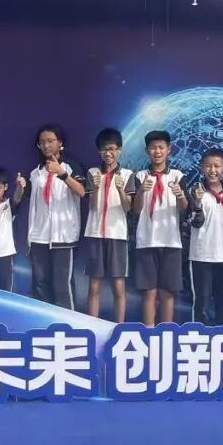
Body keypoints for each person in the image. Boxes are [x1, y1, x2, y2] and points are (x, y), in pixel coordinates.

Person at [132, 130, 190, 326]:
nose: (157, 151)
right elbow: (136, 209)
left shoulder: (177, 176)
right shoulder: (140, 176)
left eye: (161, 147)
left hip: (171, 241)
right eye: (153, 148)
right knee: (149, 292)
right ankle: (148, 332)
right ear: (147, 151)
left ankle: (167, 333)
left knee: (167, 292)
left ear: (168, 150)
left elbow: (184, 208)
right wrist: (141, 191)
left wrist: (180, 195)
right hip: (146, 240)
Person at [25, 124, 87, 309]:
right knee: (40, 284)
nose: (46, 145)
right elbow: (30, 200)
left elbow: (81, 192)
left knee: (62, 285)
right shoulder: (36, 172)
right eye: (42, 142)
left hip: (63, 235)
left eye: (50, 141)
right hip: (39, 236)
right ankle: (42, 322)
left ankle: (66, 323)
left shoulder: (71, 166)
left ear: (60, 143)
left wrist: (62, 173)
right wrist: (20, 187)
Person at [84, 128, 135, 322]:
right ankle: (92, 326)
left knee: (118, 285)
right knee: (94, 286)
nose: (108, 153)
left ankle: (119, 327)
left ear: (119, 150)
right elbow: (92, 206)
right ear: (99, 151)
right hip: (95, 234)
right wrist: (96, 188)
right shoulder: (93, 172)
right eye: (104, 149)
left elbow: (127, 207)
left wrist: (121, 190)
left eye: (112, 149)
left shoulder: (128, 174)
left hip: (117, 235)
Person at [188, 148, 223, 325]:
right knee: (201, 300)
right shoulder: (195, 191)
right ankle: (198, 334)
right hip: (201, 254)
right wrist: (197, 203)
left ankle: (222, 334)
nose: (212, 170)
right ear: (202, 167)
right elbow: (194, 222)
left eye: (217, 166)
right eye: (208, 166)